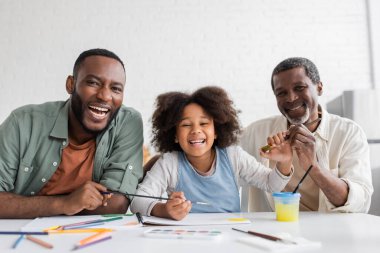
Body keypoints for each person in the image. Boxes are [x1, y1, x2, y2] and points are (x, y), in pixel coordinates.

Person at [0, 48, 143, 218]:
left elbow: (116, 202)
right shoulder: (22, 122)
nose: (105, 96)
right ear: (71, 84)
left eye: (116, 89)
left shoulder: (127, 122)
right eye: (93, 83)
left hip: (86, 236)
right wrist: (64, 204)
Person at [130, 86, 293, 220]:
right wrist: (164, 209)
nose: (195, 130)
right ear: (174, 135)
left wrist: (284, 161)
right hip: (186, 238)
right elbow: (137, 201)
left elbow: (272, 185)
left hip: (231, 234)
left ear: (216, 131)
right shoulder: (170, 162)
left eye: (204, 123)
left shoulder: (233, 155)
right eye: (186, 125)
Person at [240, 57, 373, 212]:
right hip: (268, 232)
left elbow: (360, 204)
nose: (291, 98)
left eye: (299, 88)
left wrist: (314, 167)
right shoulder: (255, 132)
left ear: (319, 88)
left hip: (330, 233)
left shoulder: (349, 133)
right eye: (281, 93)